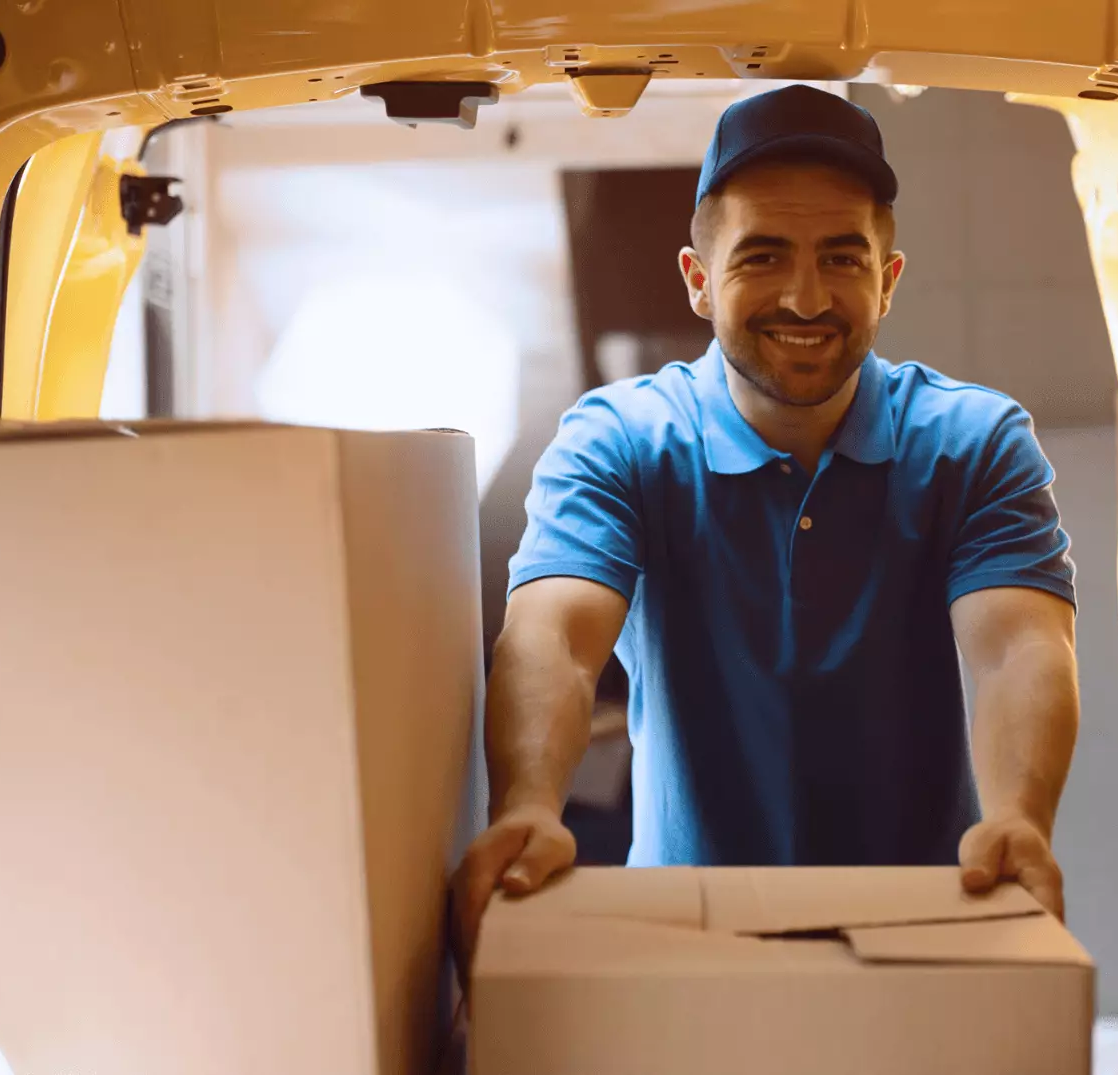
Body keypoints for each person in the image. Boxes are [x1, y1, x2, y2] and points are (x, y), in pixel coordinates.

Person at [452, 84, 1081, 958]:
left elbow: (1019, 648)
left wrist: (1021, 817)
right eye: (763, 256)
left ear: (887, 281)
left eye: (842, 257)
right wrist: (527, 804)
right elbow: (553, 636)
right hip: (683, 941)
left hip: (925, 936)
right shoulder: (621, 441)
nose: (806, 297)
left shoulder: (973, 442)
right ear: (699, 280)